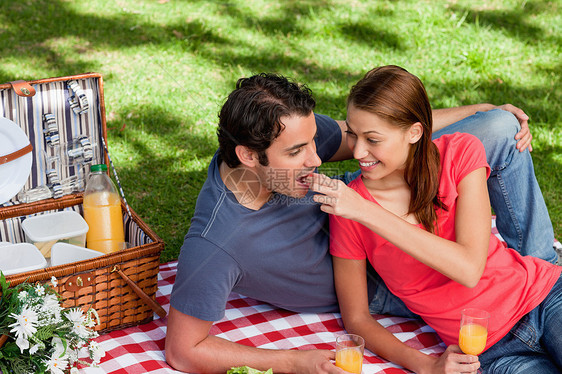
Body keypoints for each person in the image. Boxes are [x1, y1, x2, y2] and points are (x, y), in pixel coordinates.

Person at [165, 72, 558, 374]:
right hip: (379, 282)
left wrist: (473, 113)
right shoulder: (216, 242)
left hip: (376, 211)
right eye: (299, 152)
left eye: (313, 142)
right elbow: (183, 350)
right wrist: (296, 361)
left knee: (497, 126)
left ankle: (543, 266)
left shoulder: (288, 133)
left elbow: (384, 131)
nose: (317, 159)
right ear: (249, 156)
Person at [313, 65, 561, 374]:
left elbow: (469, 269)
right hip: (489, 352)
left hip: (544, 298)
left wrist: (366, 211)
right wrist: (428, 365)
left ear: (414, 132)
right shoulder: (348, 211)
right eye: (352, 133)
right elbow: (357, 319)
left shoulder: (459, 154)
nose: (358, 150)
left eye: (373, 139)